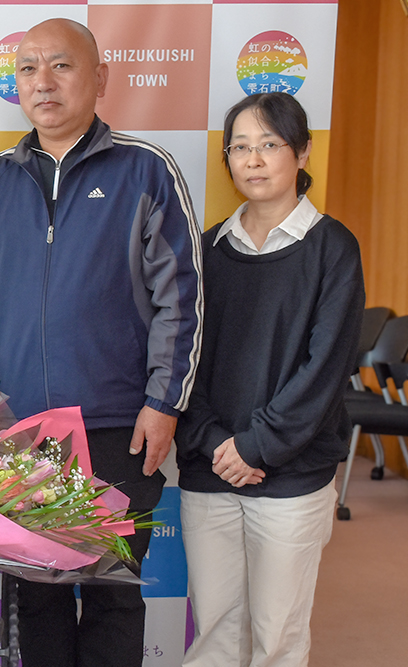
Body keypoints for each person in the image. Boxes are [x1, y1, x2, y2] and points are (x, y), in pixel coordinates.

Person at [0, 18, 202, 667]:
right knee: (35, 598)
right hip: (22, 435)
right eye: (28, 68)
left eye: (60, 65)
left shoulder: (145, 171)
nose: (43, 82)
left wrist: (164, 402)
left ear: (99, 78)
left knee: (113, 593)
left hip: (118, 426)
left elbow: (181, 296)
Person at [176, 92, 364, 667]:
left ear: (301, 153)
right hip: (210, 469)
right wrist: (216, 442)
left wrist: (256, 446)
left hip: (290, 477)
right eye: (240, 147)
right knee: (214, 630)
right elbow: (183, 356)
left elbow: (325, 368)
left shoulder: (333, 247)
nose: (253, 160)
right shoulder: (206, 249)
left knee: (277, 638)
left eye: (269, 144)